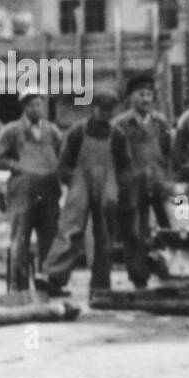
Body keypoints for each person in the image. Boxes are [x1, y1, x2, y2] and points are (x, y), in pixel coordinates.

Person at [43, 91, 129, 298]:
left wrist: (119, 189)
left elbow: (125, 165)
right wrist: (69, 180)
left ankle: (101, 285)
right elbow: (63, 162)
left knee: (104, 234)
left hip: (107, 183)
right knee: (70, 228)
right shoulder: (77, 131)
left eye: (110, 111)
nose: (106, 115)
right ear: (94, 108)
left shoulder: (117, 135)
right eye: (102, 110)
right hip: (80, 180)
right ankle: (54, 277)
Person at [0, 87, 63, 293]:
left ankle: (49, 284)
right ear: (24, 107)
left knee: (49, 238)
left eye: (39, 104)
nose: (36, 108)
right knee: (20, 237)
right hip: (23, 191)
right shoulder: (11, 130)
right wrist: (18, 166)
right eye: (31, 105)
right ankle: (18, 287)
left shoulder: (52, 131)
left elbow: (64, 156)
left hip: (49, 191)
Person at [113, 74, 172, 290]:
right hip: (132, 186)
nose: (145, 99)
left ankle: (172, 270)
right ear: (130, 98)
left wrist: (168, 180)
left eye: (149, 95)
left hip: (158, 183)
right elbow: (113, 157)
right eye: (140, 95)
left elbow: (167, 150)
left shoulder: (160, 122)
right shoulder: (120, 125)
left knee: (173, 224)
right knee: (135, 232)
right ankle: (139, 278)